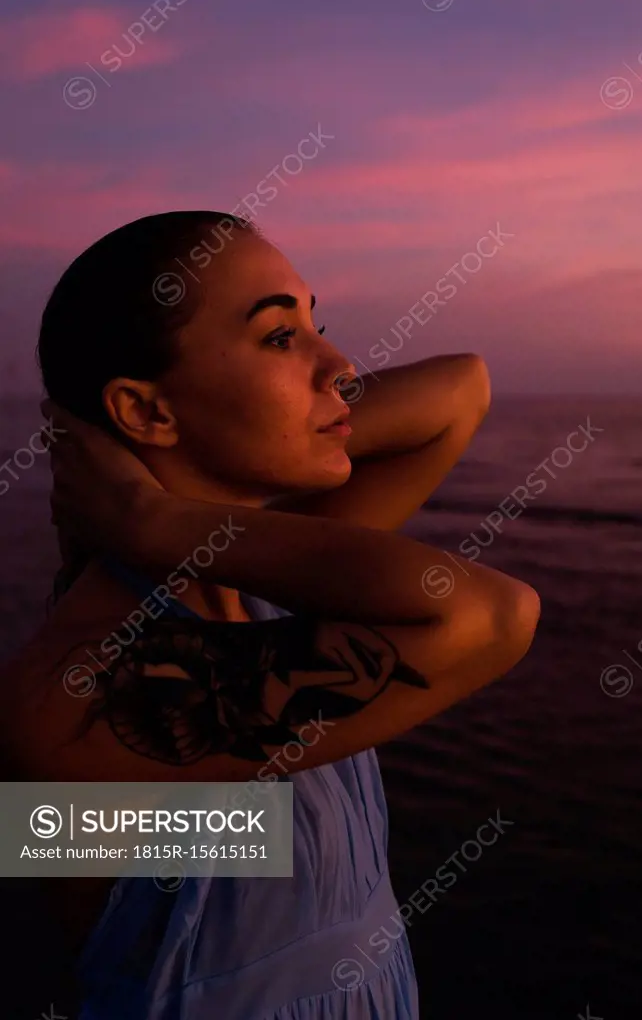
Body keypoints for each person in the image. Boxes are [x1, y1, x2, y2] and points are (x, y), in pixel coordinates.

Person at [0, 211, 541, 1019]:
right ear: (146, 413)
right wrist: (146, 521)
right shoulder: (70, 697)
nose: (342, 364)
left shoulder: (265, 595)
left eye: (315, 322)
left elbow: (462, 387)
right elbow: (490, 616)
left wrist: (149, 508)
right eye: (280, 338)